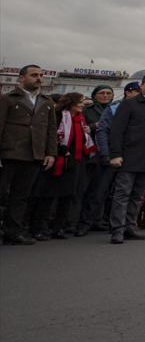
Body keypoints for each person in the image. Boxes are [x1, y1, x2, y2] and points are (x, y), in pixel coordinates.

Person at [107, 74, 145, 245]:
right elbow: (117, 130)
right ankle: (117, 230)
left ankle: (129, 227)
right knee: (122, 194)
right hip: (128, 157)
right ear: (142, 85)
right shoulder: (129, 104)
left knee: (137, 196)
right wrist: (115, 154)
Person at [0, 66, 57, 245]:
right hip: (9, 153)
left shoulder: (46, 102)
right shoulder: (8, 99)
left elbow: (51, 129)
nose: (38, 78)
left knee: (21, 196)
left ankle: (13, 232)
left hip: (34, 155)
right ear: (21, 78)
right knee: (1, 193)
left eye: (40, 76)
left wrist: (50, 153)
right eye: (34, 75)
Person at [76, 83, 141, 236]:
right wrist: (106, 154)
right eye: (136, 91)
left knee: (122, 194)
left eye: (108, 93)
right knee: (98, 192)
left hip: (130, 157)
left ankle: (118, 225)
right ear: (127, 93)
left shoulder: (143, 109)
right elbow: (102, 132)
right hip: (110, 156)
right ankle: (85, 224)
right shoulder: (114, 108)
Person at [31, 93, 95, 240]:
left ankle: (58, 228)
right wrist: (60, 149)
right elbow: (51, 135)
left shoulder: (80, 120)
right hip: (57, 160)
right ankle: (38, 228)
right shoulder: (58, 115)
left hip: (75, 161)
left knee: (67, 196)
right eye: (79, 102)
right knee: (47, 196)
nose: (82, 105)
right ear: (70, 102)